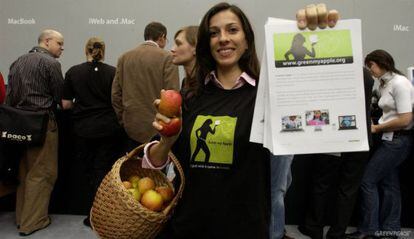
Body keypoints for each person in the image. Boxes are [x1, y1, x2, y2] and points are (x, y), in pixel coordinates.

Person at [144, 3, 337, 239]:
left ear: (247, 40)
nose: (223, 38)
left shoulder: (269, 99)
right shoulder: (188, 98)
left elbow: (319, 107)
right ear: (206, 43)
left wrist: (316, 34)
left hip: (247, 228)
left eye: (232, 30)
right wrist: (166, 142)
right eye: (214, 33)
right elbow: (152, 164)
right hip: (188, 227)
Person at [298, 68, 374, 239]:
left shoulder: (332, 72)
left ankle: (314, 227)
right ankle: (337, 232)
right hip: (359, 137)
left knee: (321, 184)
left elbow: (320, 104)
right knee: (348, 189)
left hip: (332, 137)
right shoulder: (366, 74)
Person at [347, 50, 414, 239]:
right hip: (391, 139)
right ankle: (390, 229)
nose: (370, 70)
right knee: (389, 184)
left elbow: (405, 118)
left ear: (382, 63)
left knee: (367, 180)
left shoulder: (400, 84)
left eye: (371, 66)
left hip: (398, 140)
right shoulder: (386, 84)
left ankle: (369, 230)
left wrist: (377, 128)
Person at [5, 29, 64, 236]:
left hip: (20, 125)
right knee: (43, 173)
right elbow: (59, 97)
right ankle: (34, 221)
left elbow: (9, 98)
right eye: (59, 43)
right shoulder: (51, 64)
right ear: (47, 42)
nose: (62, 48)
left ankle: (22, 219)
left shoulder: (17, 62)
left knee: (25, 172)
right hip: (43, 123)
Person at [61, 37, 124, 227]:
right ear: (103, 51)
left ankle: (91, 213)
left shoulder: (74, 72)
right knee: (104, 172)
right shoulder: (113, 72)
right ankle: (103, 215)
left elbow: (65, 104)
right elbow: (118, 101)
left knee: (88, 172)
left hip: (83, 130)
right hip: (108, 129)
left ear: (85, 50)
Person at [112, 22, 179, 152]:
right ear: (162, 36)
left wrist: (123, 120)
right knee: (155, 171)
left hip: (130, 128)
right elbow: (172, 96)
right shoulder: (168, 58)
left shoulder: (124, 58)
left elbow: (115, 94)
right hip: (158, 130)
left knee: (132, 170)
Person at [171, 25, 198, 99]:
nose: (172, 49)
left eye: (178, 44)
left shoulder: (208, 86)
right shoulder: (185, 84)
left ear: (196, 48)